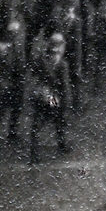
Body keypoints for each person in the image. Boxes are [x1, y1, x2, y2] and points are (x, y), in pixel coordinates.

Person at [28, 33, 73, 163]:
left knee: (37, 123)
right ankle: (61, 144)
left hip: (41, 94)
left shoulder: (41, 59)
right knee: (58, 117)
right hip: (52, 96)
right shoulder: (61, 63)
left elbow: (34, 73)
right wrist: (66, 102)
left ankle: (34, 153)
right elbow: (64, 85)